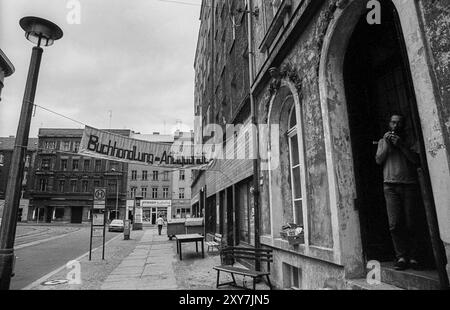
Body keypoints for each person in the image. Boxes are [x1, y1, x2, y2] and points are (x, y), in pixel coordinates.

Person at [375, 113, 422, 271]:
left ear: (403, 125)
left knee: (412, 223)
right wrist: (388, 145)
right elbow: (378, 160)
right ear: (389, 124)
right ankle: (401, 256)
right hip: (390, 186)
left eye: (399, 123)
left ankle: (415, 256)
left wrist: (401, 145)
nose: (395, 126)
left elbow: (416, 160)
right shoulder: (383, 141)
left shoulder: (410, 140)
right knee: (395, 224)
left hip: (409, 184)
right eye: (393, 123)